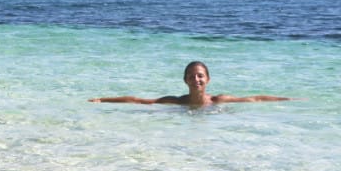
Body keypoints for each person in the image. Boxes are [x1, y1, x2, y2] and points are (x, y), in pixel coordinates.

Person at [89, 61, 291, 107]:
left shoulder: (218, 100)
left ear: (208, 79)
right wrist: (103, 99)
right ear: (185, 80)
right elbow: (139, 101)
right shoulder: (177, 102)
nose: (197, 80)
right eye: (192, 76)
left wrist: (287, 99)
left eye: (200, 76)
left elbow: (255, 98)